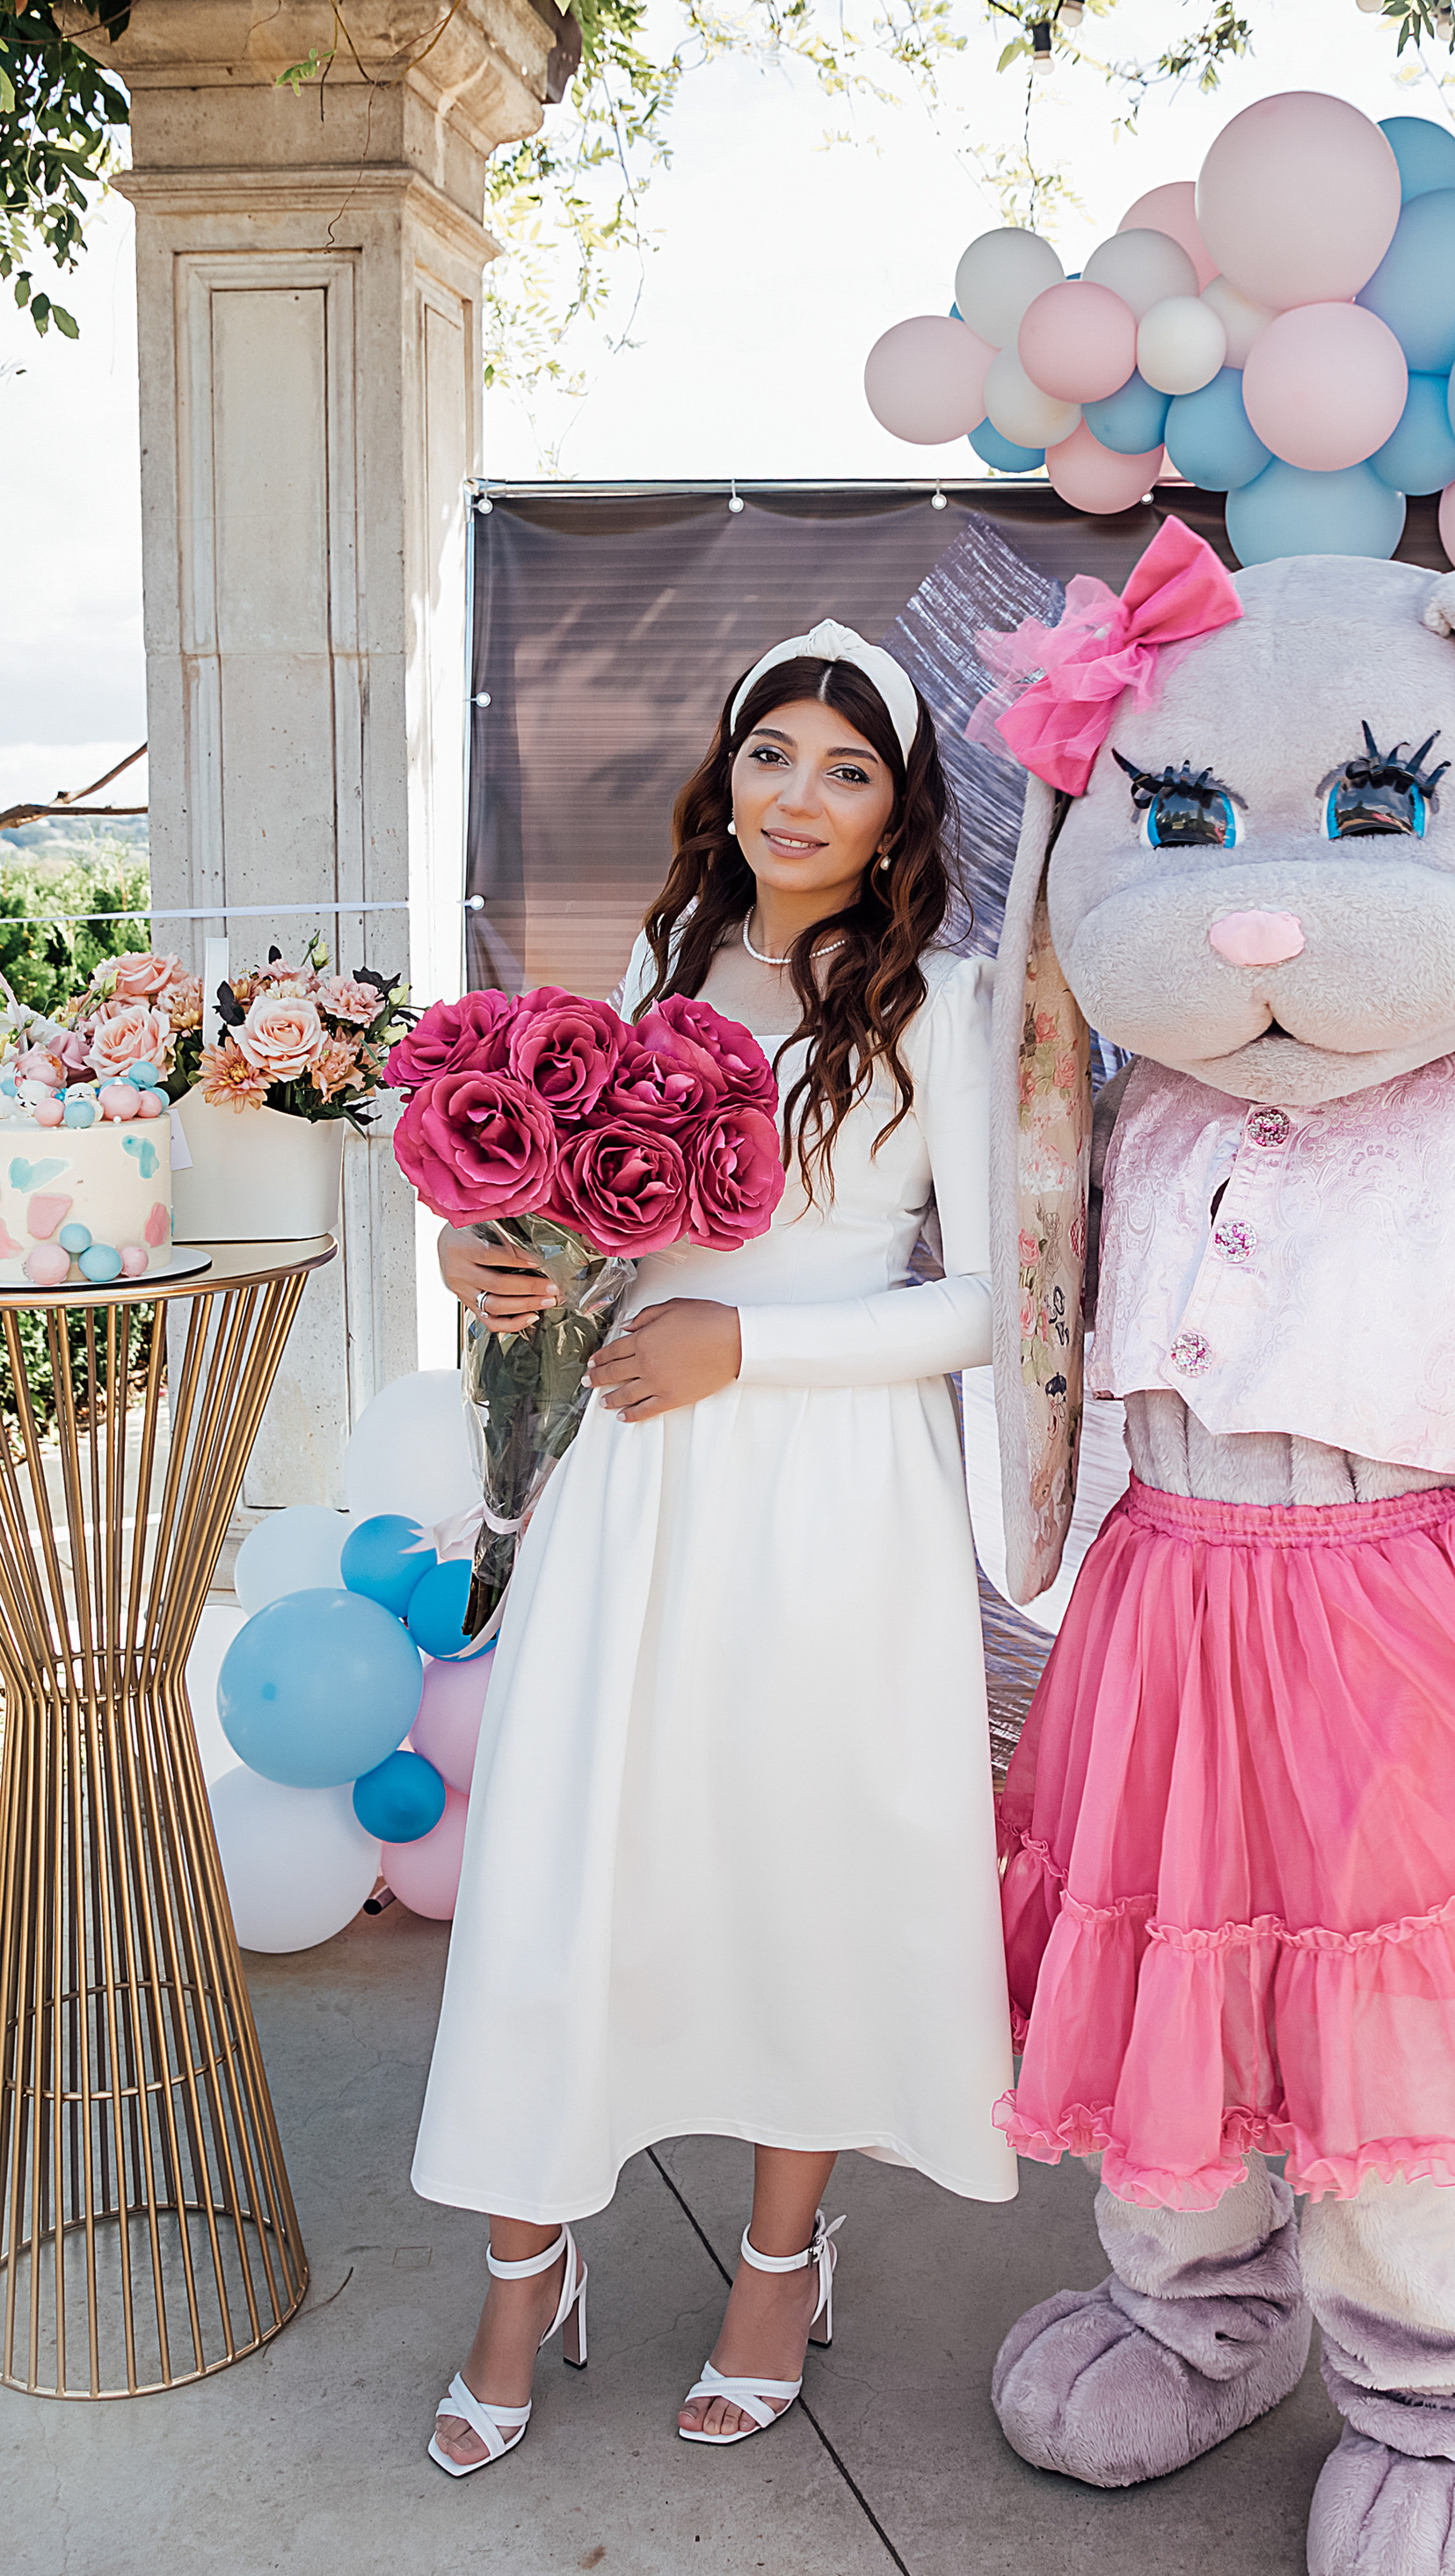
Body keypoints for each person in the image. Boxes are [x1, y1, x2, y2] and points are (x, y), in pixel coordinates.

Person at [410, 621, 1015, 2471]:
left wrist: (751, 1343)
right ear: (725, 773)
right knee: (567, 1870)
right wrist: (494, 1253)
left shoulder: (948, 999)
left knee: (796, 1868)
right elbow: (588, 1233)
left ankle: (777, 2263)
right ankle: (524, 2275)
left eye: (848, 768)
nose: (799, 797)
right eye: (771, 754)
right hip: (641, 1476)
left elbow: (996, 1303)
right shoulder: (659, 959)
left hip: (834, 1495)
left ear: (899, 809)